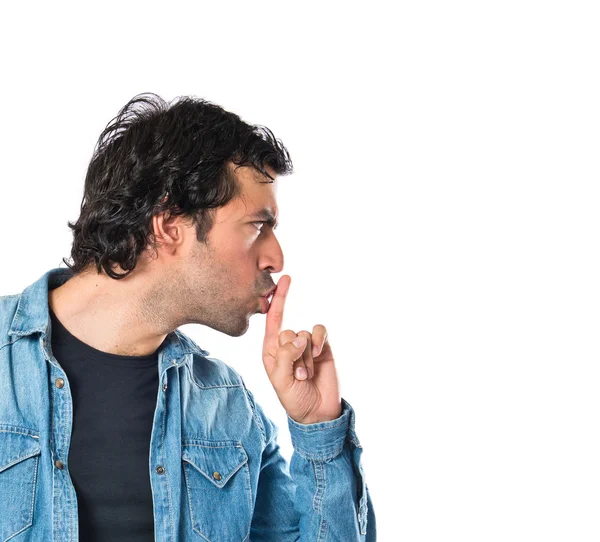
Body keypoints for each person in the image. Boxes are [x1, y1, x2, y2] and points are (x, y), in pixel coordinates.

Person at [0, 92, 376, 541]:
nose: (276, 256)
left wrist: (319, 428)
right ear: (169, 225)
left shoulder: (230, 410)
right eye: (257, 227)